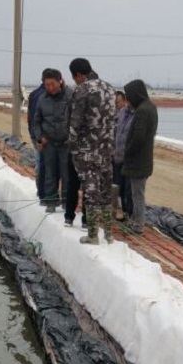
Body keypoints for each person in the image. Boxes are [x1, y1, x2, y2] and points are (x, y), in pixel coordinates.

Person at [68, 58, 116, 245]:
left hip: (87, 150)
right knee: (106, 189)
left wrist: (72, 145)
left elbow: (75, 122)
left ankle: (93, 235)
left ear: (79, 75)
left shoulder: (83, 90)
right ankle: (109, 234)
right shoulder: (110, 88)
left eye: (75, 78)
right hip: (106, 149)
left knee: (91, 190)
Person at [121, 79, 158, 236]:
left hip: (138, 160)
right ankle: (135, 219)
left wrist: (127, 151)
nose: (128, 101)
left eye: (129, 97)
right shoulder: (151, 107)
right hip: (144, 158)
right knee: (136, 192)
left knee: (137, 194)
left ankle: (138, 224)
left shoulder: (142, 111)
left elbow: (138, 137)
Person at [32, 69, 72, 212]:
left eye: (53, 84)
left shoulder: (70, 96)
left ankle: (67, 202)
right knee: (50, 173)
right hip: (49, 143)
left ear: (60, 81)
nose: (50, 87)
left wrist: (72, 137)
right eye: (47, 85)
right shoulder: (42, 99)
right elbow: (36, 122)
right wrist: (40, 137)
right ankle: (51, 201)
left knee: (67, 174)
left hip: (66, 143)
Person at [112, 90, 134, 221]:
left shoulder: (130, 115)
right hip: (115, 155)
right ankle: (118, 208)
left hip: (127, 157)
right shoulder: (117, 115)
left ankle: (128, 212)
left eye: (118, 102)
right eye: (114, 102)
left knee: (128, 187)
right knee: (116, 184)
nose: (116, 105)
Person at [27, 71, 48, 203]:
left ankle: (40, 191)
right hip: (46, 137)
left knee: (40, 163)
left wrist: (33, 135)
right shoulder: (47, 96)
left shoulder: (33, 94)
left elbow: (30, 118)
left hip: (37, 135)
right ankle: (45, 193)